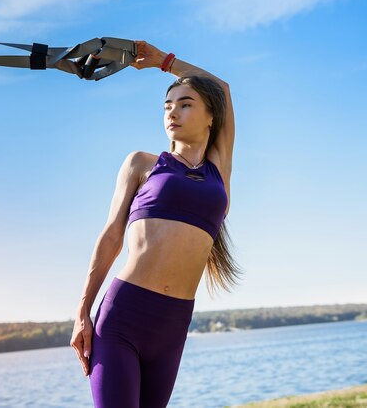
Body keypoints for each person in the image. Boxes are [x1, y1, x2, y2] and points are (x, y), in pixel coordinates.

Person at [70, 40, 240, 408]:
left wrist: (166, 63)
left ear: (211, 116)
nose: (172, 112)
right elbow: (112, 235)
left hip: (174, 324)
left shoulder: (217, 172)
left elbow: (223, 89)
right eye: (167, 106)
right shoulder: (142, 164)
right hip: (123, 316)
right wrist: (83, 311)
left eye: (185, 104)